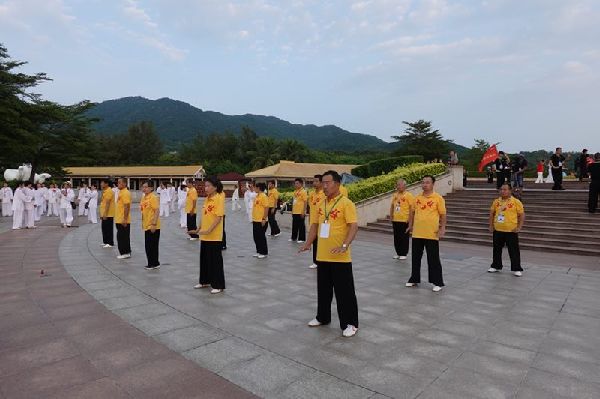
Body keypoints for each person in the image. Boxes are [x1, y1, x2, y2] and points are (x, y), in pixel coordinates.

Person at [299, 170, 359, 338]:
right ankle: (322, 317)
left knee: (344, 292)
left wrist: (345, 245)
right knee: (323, 290)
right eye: (322, 183)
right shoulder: (321, 204)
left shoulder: (346, 203)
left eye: (327, 182)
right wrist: (308, 243)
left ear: (337, 183)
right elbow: (314, 226)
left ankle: (350, 323)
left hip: (340, 256)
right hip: (323, 255)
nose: (324, 186)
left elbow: (353, 226)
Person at [406, 175, 447, 292]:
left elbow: (443, 214)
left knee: (433, 259)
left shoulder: (438, 198)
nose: (424, 185)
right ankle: (414, 279)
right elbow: (412, 212)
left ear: (433, 184)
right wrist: (410, 224)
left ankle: (437, 282)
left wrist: (442, 228)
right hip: (417, 233)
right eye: (423, 182)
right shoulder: (417, 198)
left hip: (431, 233)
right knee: (415, 258)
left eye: (427, 182)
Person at [191, 176, 226, 293]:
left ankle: (218, 285)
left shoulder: (218, 198)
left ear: (215, 187)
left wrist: (209, 230)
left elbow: (218, 217)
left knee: (215, 261)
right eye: (205, 186)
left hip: (214, 235)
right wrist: (198, 229)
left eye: (208, 186)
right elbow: (204, 215)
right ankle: (205, 281)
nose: (205, 188)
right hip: (204, 235)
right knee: (204, 260)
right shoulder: (207, 199)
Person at [488, 183, 525, 276]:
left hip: (511, 230)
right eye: (501, 189)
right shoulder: (496, 201)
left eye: (505, 189)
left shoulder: (516, 202)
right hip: (498, 229)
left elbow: (521, 215)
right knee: (496, 249)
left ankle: (516, 268)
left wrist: (519, 227)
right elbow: (492, 214)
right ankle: (496, 265)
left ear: (510, 190)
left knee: (513, 250)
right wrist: (491, 225)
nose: (502, 191)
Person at [389, 178, 414, 260]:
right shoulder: (395, 195)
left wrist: (410, 222)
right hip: (396, 220)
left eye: (399, 184)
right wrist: (391, 216)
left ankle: (403, 253)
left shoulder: (409, 195)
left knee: (404, 238)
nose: (398, 186)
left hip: (404, 220)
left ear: (404, 185)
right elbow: (392, 206)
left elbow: (411, 209)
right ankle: (398, 253)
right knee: (396, 237)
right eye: (397, 185)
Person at [140, 181, 161, 270]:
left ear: (151, 188)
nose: (144, 189)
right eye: (143, 187)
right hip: (146, 224)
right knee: (149, 245)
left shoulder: (153, 197)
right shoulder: (144, 197)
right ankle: (154, 263)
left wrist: (154, 224)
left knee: (151, 246)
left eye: (146, 187)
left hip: (152, 225)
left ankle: (152, 264)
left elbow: (157, 210)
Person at [307, 175, 324, 269]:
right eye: (314, 181)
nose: (314, 183)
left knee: (321, 243)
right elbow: (310, 208)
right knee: (315, 242)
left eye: (317, 181)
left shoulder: (324, 194)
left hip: (321, 223)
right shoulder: (312, 194)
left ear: (321, 183)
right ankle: (315, 261)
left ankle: (322, 261)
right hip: (313, 223)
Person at [115, 178, 132, 259]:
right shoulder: (121, 192)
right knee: (120, 236)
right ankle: (124, 252)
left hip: (123, 219)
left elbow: (127, 206)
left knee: (123, 236)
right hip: (119, 219)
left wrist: (125, 219)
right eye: (118, 182)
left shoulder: (125, 192)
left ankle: (126, 252)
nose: (118, 184)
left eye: (120, 182)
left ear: (125, 184)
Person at [252, 182, 269, 259]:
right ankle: (258, 250)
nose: (254, 189)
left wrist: (264, 219)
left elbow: (266, 208)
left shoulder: (264, 196)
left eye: (255, 187)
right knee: (256, 236)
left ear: (259, 188)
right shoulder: (257, 196)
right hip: (255, 219)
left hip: (261, 220)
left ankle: (264, 252)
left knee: (261, 236)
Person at [290, 178, 307, 243]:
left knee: (301, 225)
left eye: (297, 183)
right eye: (295, 183)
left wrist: (303, 211)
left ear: (301, 184)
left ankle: (302, 239)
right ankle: (293, 237)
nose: (296, 185)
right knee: (294, 225)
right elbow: (294, 202)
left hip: (300, 211)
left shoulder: (303, 191)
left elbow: (305, 202)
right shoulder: (295, 191)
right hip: (295, 211)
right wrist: (292, 211)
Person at [100, 179, 115, 248]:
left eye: (102, 183)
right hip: (104, 213)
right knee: (104, 228)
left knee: (108, 228)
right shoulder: (105, 191)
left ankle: (110, 242)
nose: (101, 184)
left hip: (108, 214)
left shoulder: (109, 191)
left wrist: (105, 213)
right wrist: (102, 214)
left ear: (106, 184)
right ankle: (105, 241)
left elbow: (108, 203)